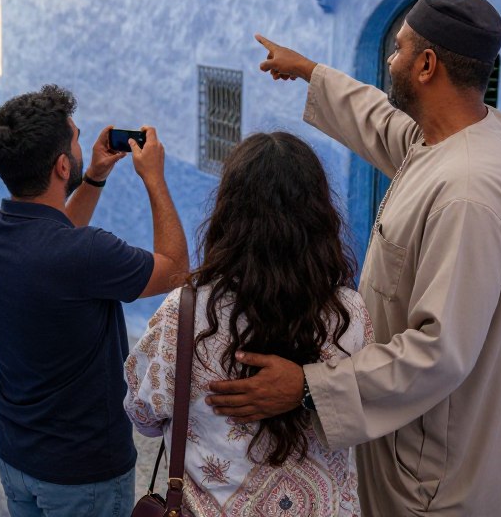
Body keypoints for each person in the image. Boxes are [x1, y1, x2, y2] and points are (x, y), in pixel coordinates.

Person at [206, 0, 501, 516]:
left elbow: (439, 352)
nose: (390, 58)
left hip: (435, 469)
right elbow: (386, 125)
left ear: (426, 65)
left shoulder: (469, 192)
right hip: (416, 435)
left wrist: (309, 387)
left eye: (399, 47)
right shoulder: (468, 135)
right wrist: (311, 72)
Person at [0, 85, 188, 517]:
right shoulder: (85, 254)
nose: (83, 143)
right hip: (82, 474)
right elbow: (176, 269)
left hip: (15, 456)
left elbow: (49, 234)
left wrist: (95, 177)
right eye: (77, 137)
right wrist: (154, 178)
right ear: (63, 165)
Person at [124, 132, 372, 516]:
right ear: (320, 216)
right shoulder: (349, 314)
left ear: (228, 213)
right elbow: (364, 411)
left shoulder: (186, 312)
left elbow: (143, 414)